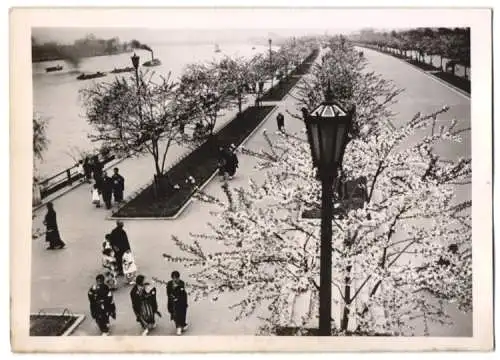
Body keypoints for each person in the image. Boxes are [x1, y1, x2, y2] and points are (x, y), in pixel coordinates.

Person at [166, 271, 188, 335]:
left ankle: (180, 326)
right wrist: (173, 297)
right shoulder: (169, 283)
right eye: (174, 278)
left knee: (181, 314)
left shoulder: (181, 283)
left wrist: (177, 297)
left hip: (181, 301)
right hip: (172, 302)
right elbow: (168, 293)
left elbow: (182, 293)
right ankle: (180, 326)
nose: (175, 279)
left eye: (176, 278)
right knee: (174, 314)